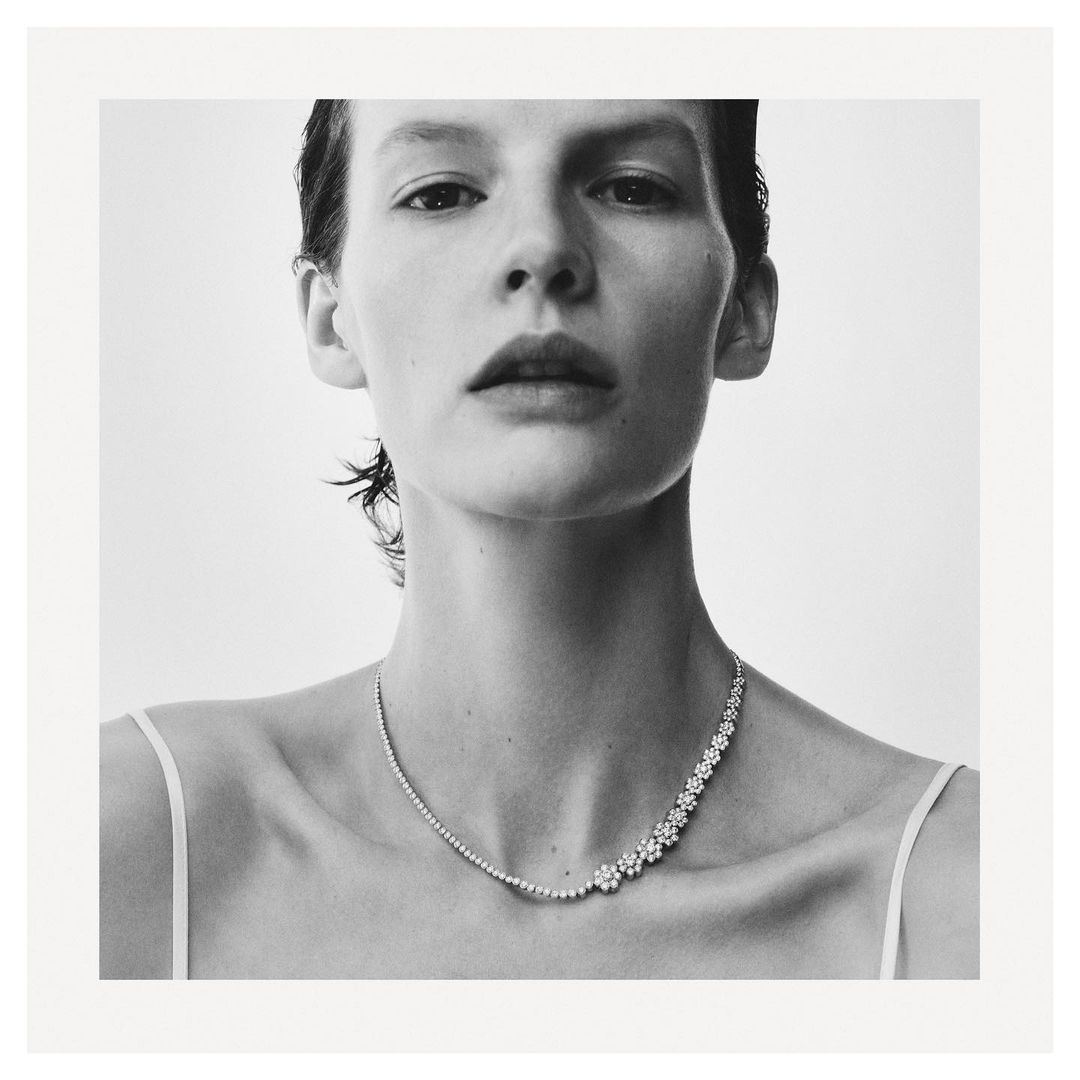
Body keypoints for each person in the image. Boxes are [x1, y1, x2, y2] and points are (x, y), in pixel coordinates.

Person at [100, 98, 979, 980]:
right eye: (441, 193)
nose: (542, 250)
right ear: (331, 317)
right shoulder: (122, 844)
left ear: (743, 309)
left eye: (632, 188)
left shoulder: (970, 896)